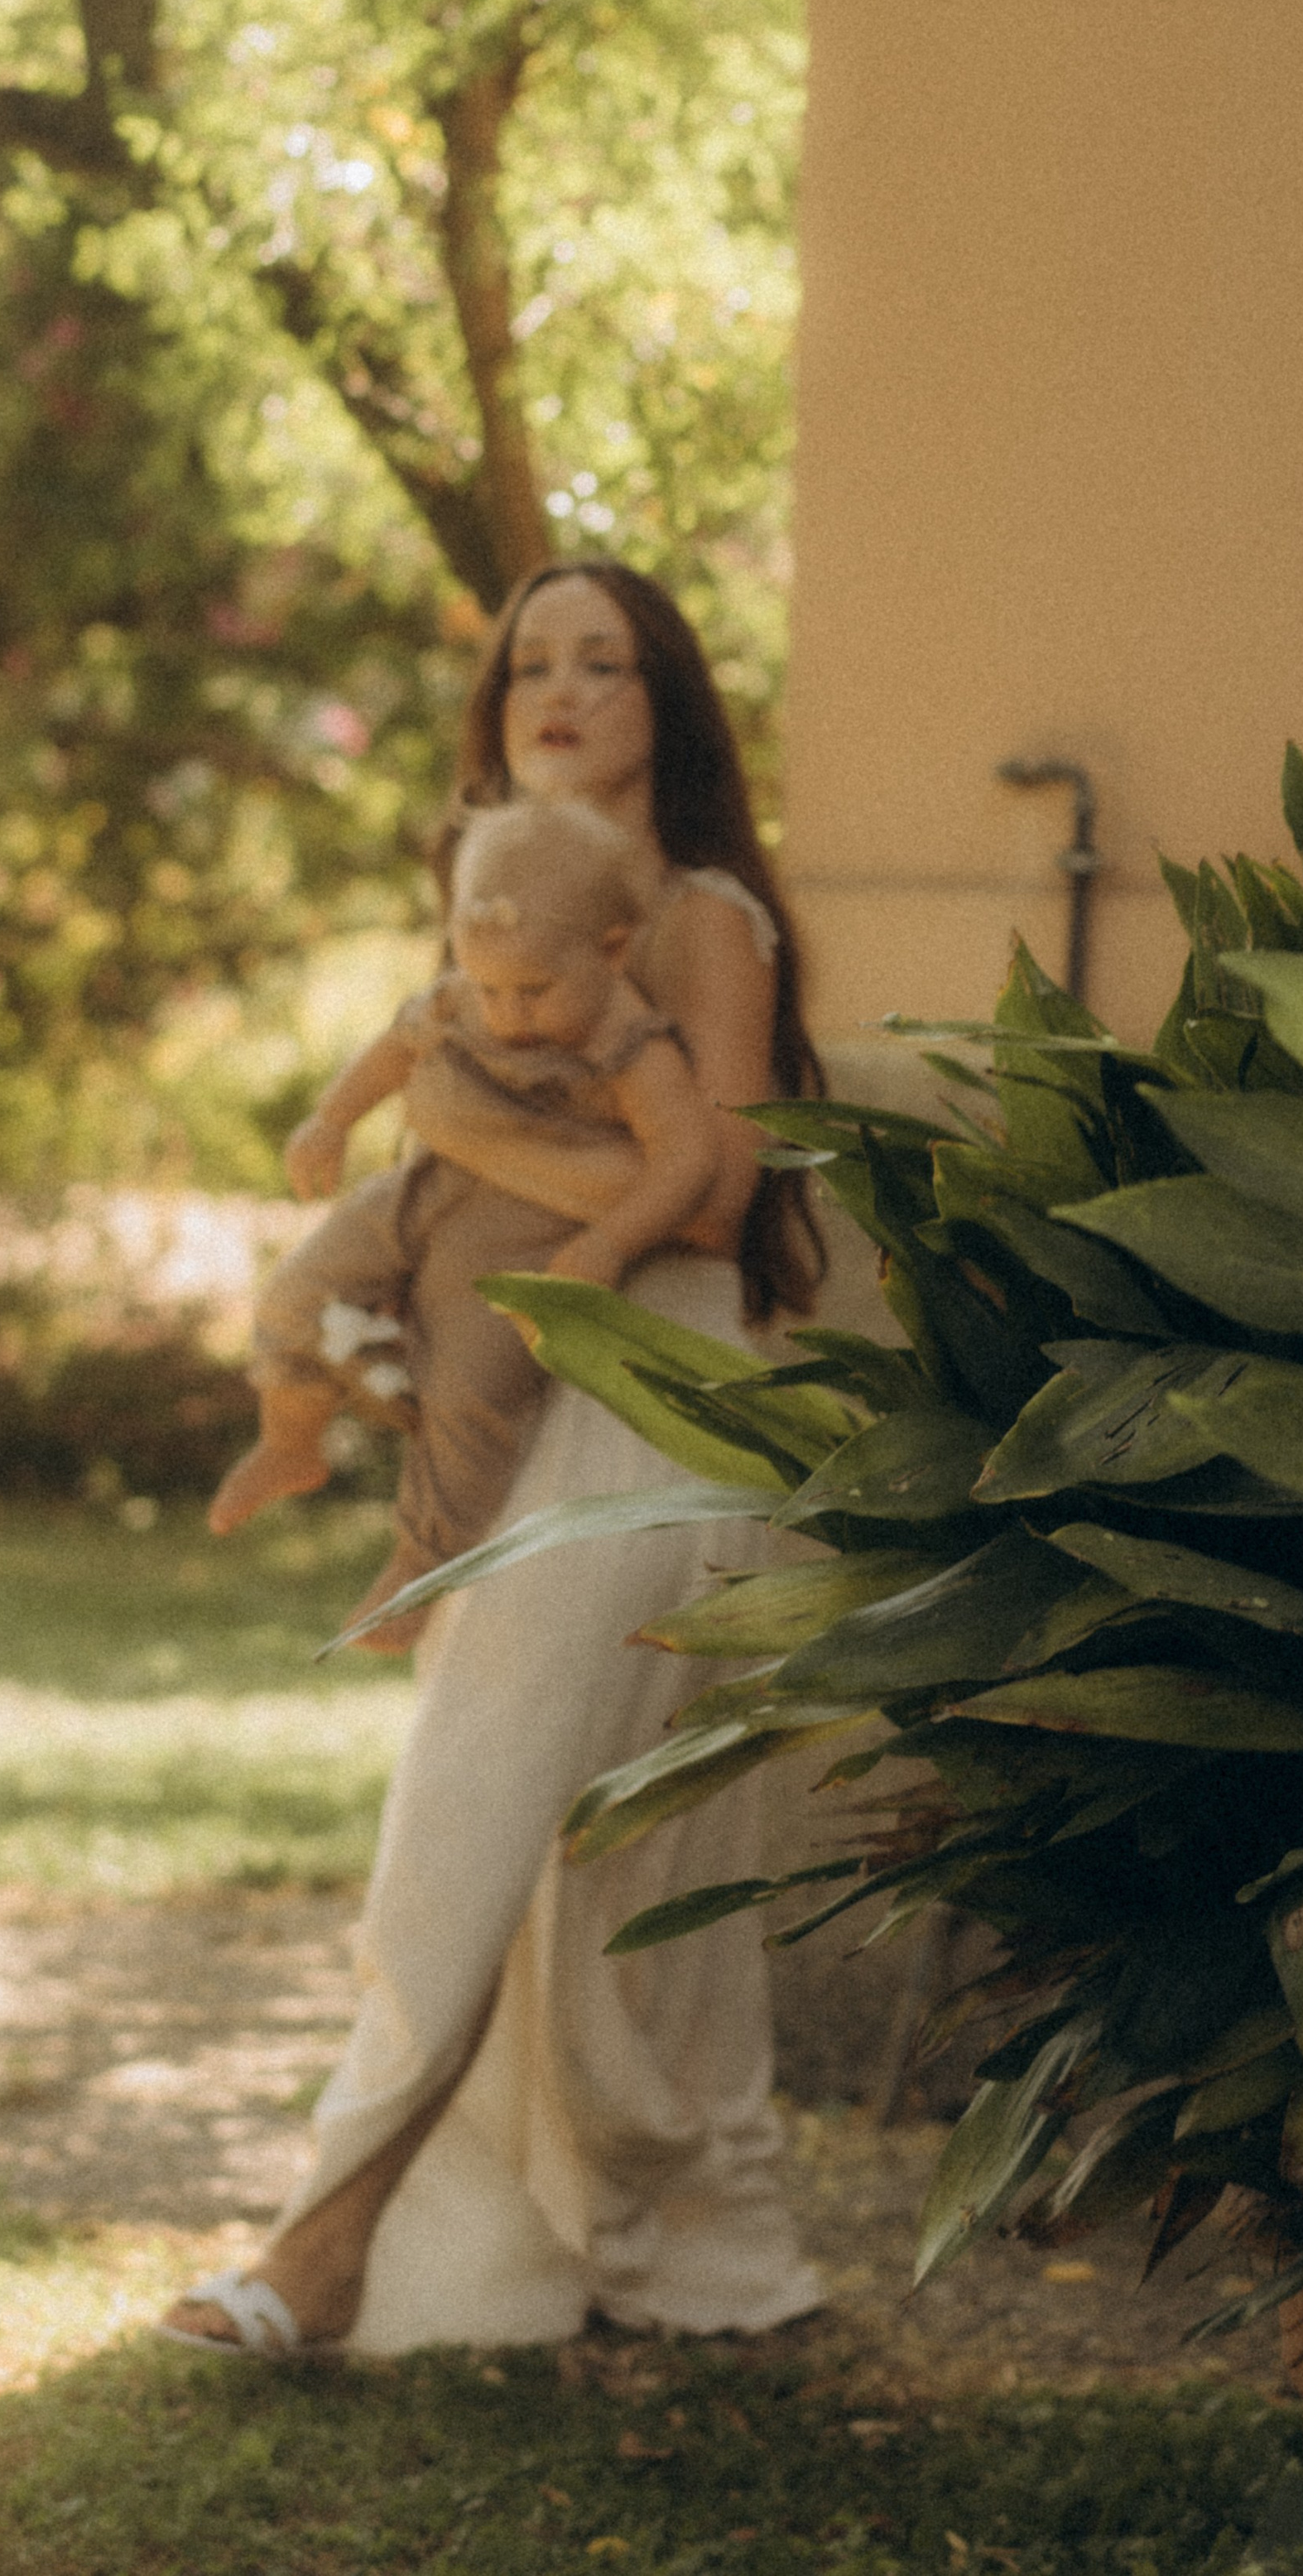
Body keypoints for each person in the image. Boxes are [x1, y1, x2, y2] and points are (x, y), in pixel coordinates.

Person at [161, 559, 827, 2360]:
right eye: (533, 664)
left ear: (663, 707)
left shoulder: (697, 920)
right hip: (536, 1399)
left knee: (488, 1811)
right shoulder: (502, 895)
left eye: (604, 665)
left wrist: (458, 1138)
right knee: (565, 1852)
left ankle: (327, 2247)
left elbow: (719, 1195)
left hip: (655, 1392)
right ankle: (636, 2247)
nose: (560, 693)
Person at [206, 795, 720, 1649]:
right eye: (487, 988)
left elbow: (688, 1161)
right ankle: (289, 1440)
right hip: (422, 1187)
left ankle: (424, 1564)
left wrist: (607, 1242)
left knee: (469, 1394)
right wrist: (332, 1120)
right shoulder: (463, 999)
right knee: (298, 1291)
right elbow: (395, 1047)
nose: (507, 1013)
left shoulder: (633, 1046)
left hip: (521, 1236)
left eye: (534, 991)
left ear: (612, 950)